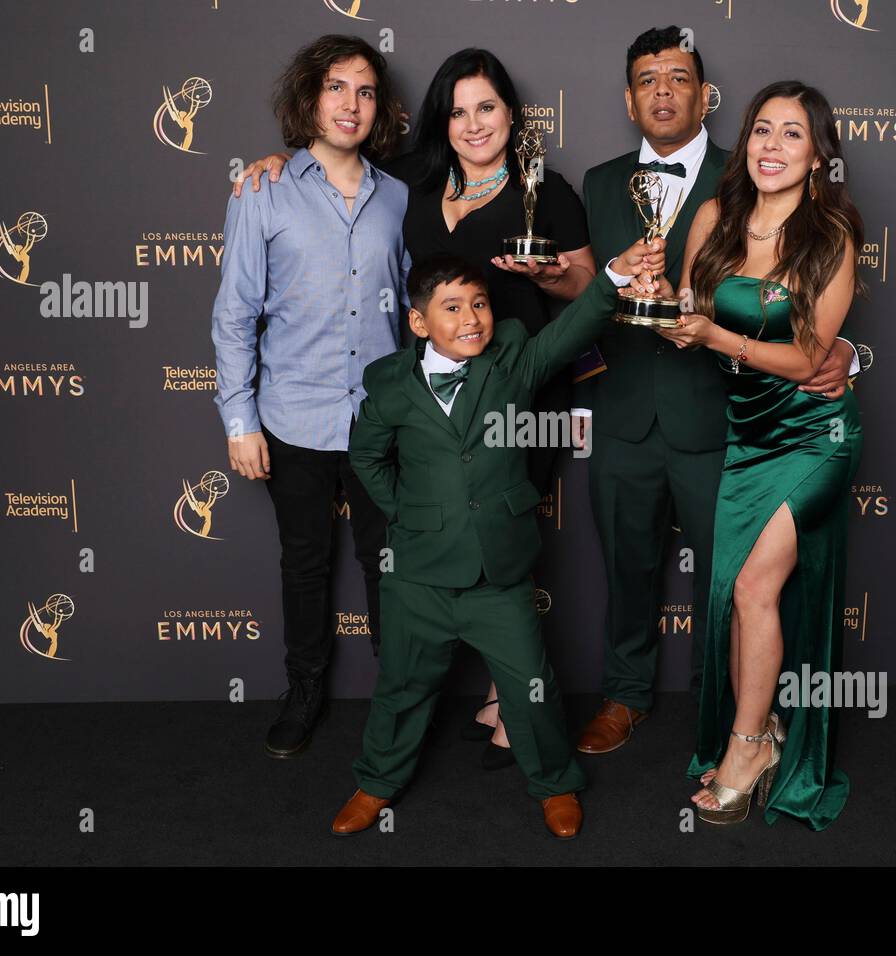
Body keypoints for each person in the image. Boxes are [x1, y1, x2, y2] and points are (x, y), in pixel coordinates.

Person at [235, 49, 600, 771]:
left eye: (487, 107)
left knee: (503, 541)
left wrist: (552, 273)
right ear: (440, 120)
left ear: (511, 115)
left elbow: (589, 286)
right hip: (427, 413)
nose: (473, 123)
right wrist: (273, 162)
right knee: (400, 549)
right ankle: (374, 700)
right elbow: (332, 168)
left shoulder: (546, 189)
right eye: (458, 110)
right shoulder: (408, 182)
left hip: (518, 398)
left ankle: (509, 696)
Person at [573, 27, 863, 756]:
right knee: (625, 567)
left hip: (730, 420)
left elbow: (808, 309)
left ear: (707, 96)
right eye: (647, 79)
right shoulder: (602, 183)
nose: (662, 90)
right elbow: (604, 295)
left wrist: (853, 354)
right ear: (629, 99)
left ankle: (733, 711)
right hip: (626, 411)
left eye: (678, 77)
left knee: (736, 584)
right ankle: (624, 695)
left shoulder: (751, 175)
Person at [634, 80, 864, 829]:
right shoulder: (714, 217)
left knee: (753, 589)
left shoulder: (831, 235)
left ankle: (746, 750)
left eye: (792, 134)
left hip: (813, 434)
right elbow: (688, 317)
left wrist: (715, 338)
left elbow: (806, 358)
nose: (771, 146)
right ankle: (760, 732)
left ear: (817, 153)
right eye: (762, 129)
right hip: (748, 434)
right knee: (739, 593)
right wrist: (657, 299)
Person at [330, 255, 624, 839]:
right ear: (419, 324)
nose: (472, 319)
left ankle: (555, 783)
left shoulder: (511, 362)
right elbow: (364, 456)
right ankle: (376, 781)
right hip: (418, 573)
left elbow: (568, 332)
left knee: (529, 685)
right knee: (401, 686)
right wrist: (409, 514)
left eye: (480, 304)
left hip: (498, 573)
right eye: (453, 307)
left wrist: (611, 278)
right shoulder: (390, 384)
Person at [211, 35, 409, 758]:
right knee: (305, 563)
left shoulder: (400, 197)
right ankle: (303, 693)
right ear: (309, 99)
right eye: (336, 88)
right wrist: (240, 419)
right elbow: (234, 313)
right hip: (292, 415)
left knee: (390, 566)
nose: (350, 104)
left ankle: (399, 700)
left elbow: (416, 313)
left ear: (379, 107)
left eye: (364, 91)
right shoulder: (264, 190)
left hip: (384, 421)